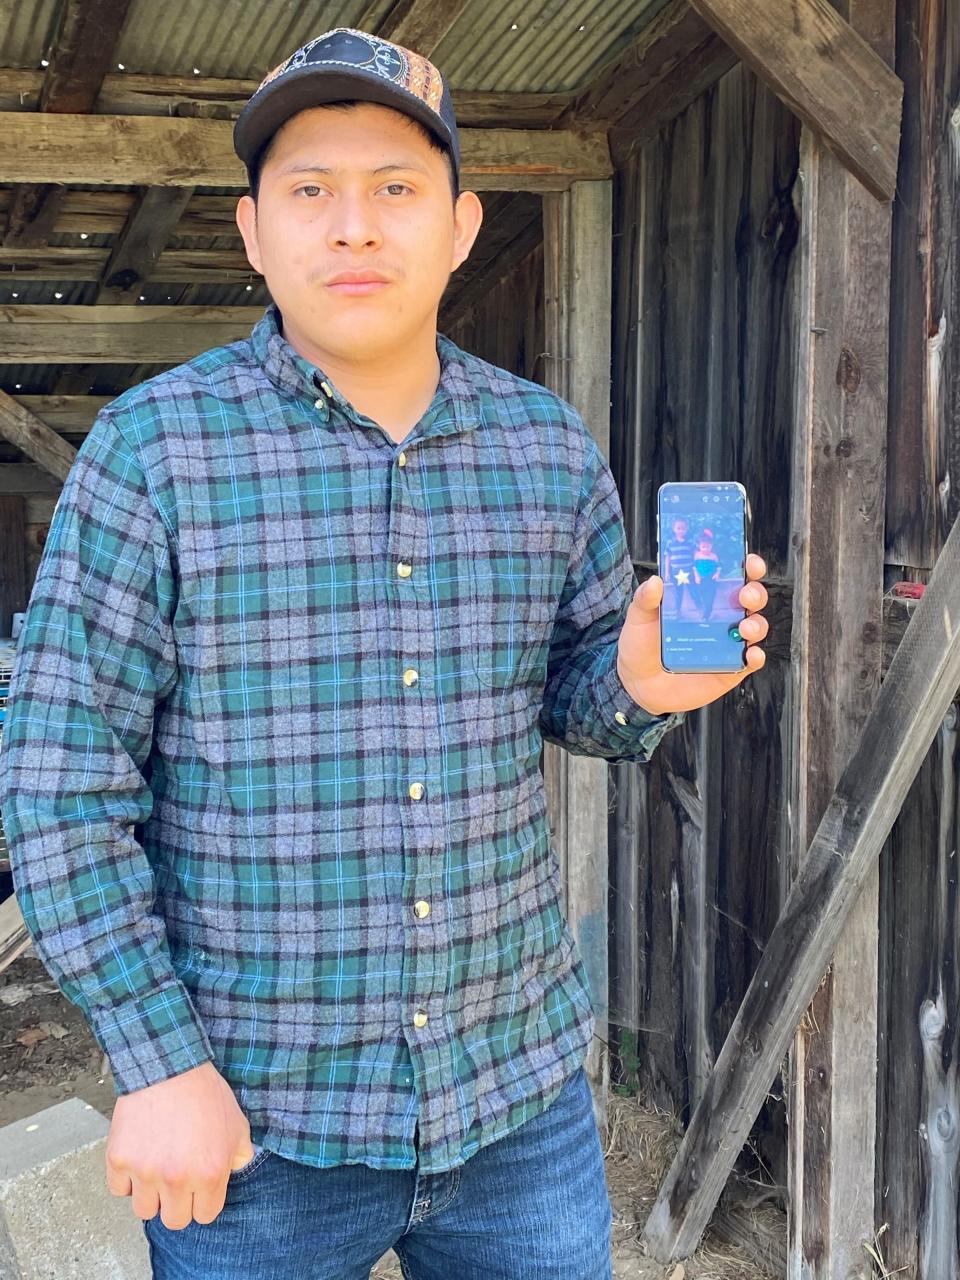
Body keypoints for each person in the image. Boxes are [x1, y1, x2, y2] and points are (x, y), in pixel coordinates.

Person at [0, 26, 769, 1280]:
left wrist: (641, 680)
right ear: (254, 232)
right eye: (311, 191)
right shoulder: (155, 456)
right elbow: (59, 784)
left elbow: (575, 697)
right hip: (256, 1122)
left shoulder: (546, 447)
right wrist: (159, 1063)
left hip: (516, 1098)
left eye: (395, 190)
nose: (354, 227)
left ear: (461, 224)